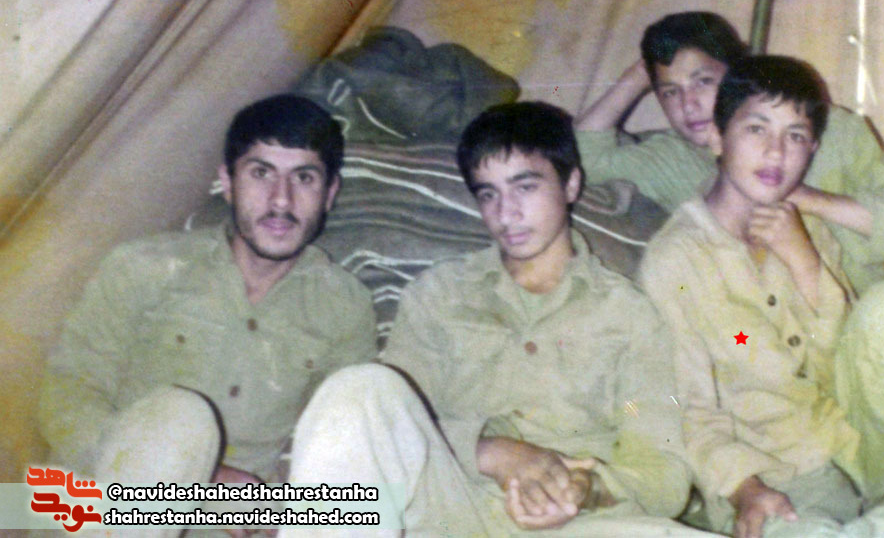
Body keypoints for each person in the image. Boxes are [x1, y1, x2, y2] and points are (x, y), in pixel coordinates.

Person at [279, 102, 719, 537]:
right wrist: (493, 453)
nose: (506, 213)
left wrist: (588, 490)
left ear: (570, 184)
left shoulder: (631, 316)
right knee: (359, 388)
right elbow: (394, 426)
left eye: (525, 187)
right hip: (452, 511)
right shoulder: (439, 295)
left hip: (580, 524)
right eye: (488, 194)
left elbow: (662, 471)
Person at [37, 94, 377, 536]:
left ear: (329, 193)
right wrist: (195, 481)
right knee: (181, 415)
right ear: (227, 182)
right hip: (101, 507)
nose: (281, 200)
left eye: (304, 178)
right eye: (261, 173)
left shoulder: (345, 306)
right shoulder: (144, 266)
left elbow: (337, 447)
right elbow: (66, 393)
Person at [639, 55, 884, 538]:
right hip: (776, 473)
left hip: (854, 442)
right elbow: (689, 406)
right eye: (757, 129)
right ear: (717, 137)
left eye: (795, 136)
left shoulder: (805, 226)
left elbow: (844, 361)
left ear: (812, 150)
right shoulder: (676, 260)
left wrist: (804, 262)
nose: (776, 152)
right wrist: (743, 488)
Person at [577, 11, 884, 294]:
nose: (688, 105)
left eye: (703, 81)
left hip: (864, 317)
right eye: (671, 92)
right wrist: (637, 76)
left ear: (736, 75)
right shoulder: (671, 158)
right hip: (764, 331)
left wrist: (802, 197)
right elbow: (580, 160)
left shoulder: (829, 129)